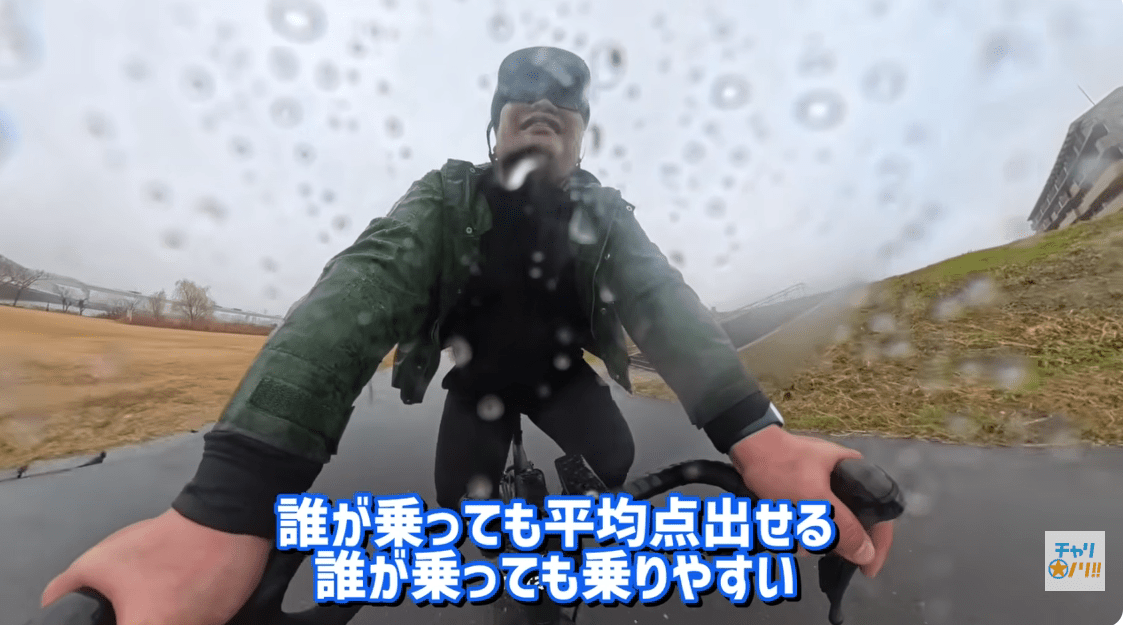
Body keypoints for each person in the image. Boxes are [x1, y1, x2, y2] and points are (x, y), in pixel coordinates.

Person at [41, 46, 894, 625]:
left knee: (615, 457)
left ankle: (564, 534)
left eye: (567, 104)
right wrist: (227, 506)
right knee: (460, 508)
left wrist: (755, 435)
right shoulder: (443, 199)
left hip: (560, 376)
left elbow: (660, 299)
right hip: (476, 382)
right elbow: (355, 293)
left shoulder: (603, 211)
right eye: (524, 97)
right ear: (494, 127)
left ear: (582, 139)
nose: (546, 105)